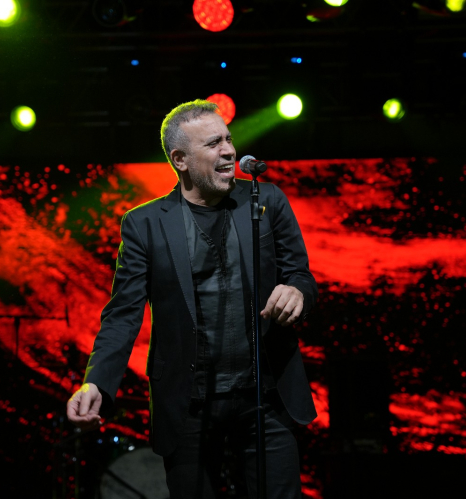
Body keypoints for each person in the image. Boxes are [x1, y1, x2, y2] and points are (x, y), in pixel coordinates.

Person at [67, 100, 318, 499]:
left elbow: (301, 276)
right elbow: (123, 315)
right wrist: (96, 381)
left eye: (229, 140)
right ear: (180, 159)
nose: (229, 151)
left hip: (265, 396)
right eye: (214, 143)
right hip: (188, 404)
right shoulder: (145, 224)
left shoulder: (266, 201)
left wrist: (297, 292)